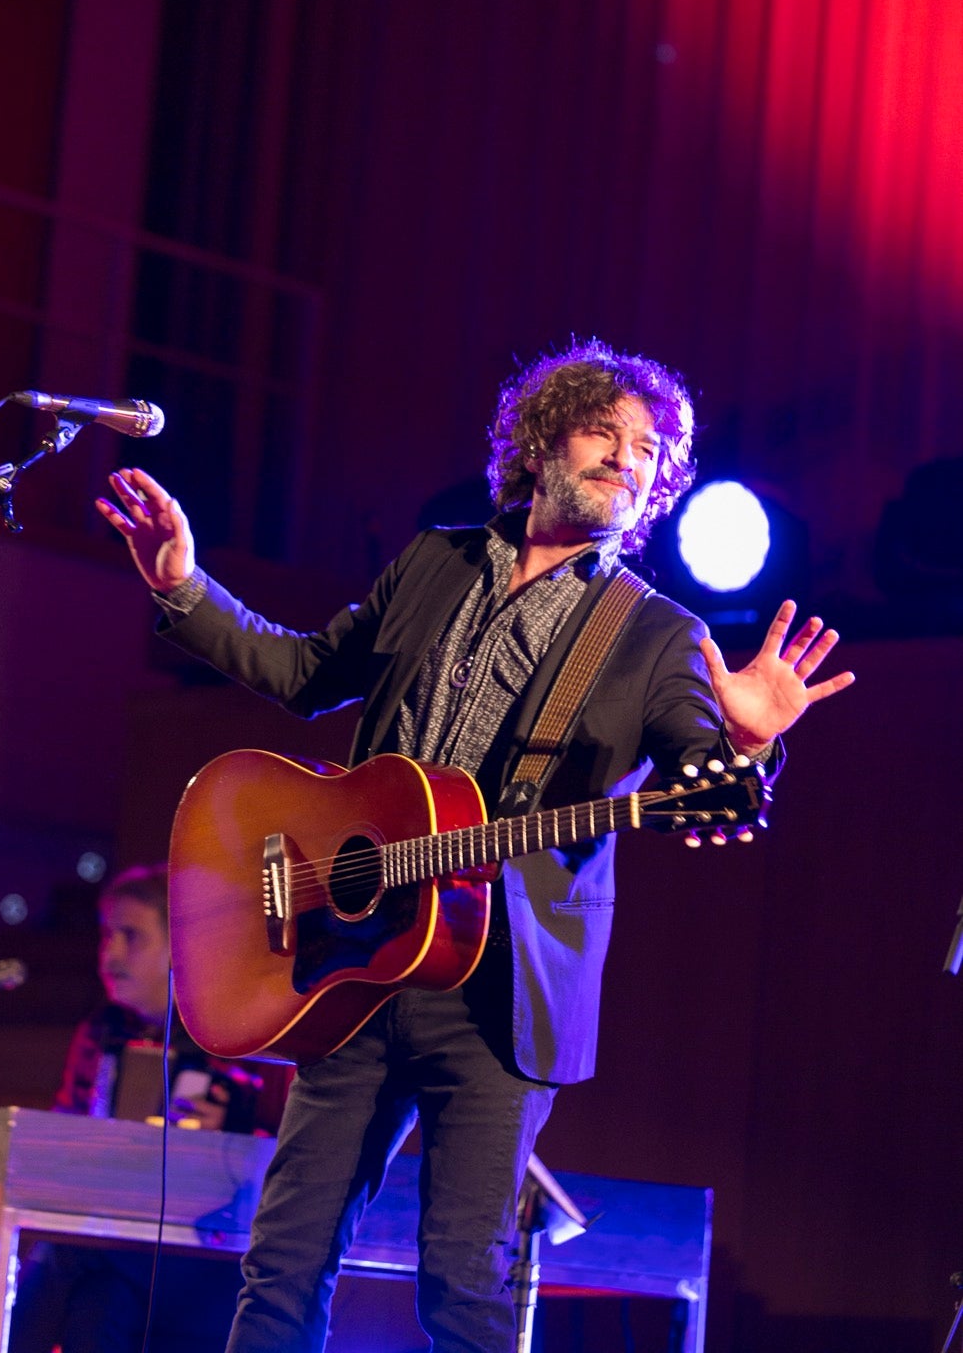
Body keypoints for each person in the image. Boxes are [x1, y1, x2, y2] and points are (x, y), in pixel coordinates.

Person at [96, 339, 855, 1353]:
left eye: (648, 449)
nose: (627, 458)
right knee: (280, 1263)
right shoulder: (434, 558)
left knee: (465, 1286)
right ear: (539, 440)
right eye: (604, 431)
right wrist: (185, 588)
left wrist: (746, 741)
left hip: (501, 994)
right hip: (352, 962)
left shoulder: (654, 633)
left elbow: (698, 777)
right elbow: (304, 671)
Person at [8, 864, 290, 1353]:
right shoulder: (101, 1031)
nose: (110, 954)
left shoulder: (240, 1034)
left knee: (70, 1255)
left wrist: (231, 1135)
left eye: (131, 937)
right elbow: (59, 1143)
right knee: (96, 1300)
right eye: (106, 936)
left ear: (183, 947)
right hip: (117, 1246)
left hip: (208, 1255)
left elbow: (287, 1158)